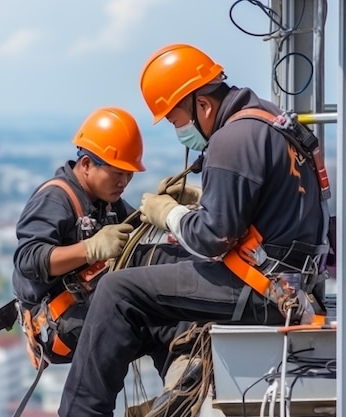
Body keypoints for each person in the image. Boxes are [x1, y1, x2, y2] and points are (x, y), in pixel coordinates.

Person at [58, 43, 327, 417]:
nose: (178, 129)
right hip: (287, 279)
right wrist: (201, 200)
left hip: (264, 288)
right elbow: (263, 205)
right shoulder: (268, 119)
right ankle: (178, 380)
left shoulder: (231, 139)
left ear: (202, 104)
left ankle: (80, 412)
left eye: (175, 119)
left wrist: (168, 213)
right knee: (154, 264)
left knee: (118, 290)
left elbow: (212, 239)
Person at [12, 105, 193, 376]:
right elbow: (28, 260)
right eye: (117, 173)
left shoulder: (106, 201)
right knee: (153, 318)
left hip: (83, 309)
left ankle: (180, 380)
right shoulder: (56, 198)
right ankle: (181, 378)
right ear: (86, 164)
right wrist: (90, 249)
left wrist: (171, 212)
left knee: (165, 303)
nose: (124, 181)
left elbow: (139, 238)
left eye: (129, 174)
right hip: (58, 322)